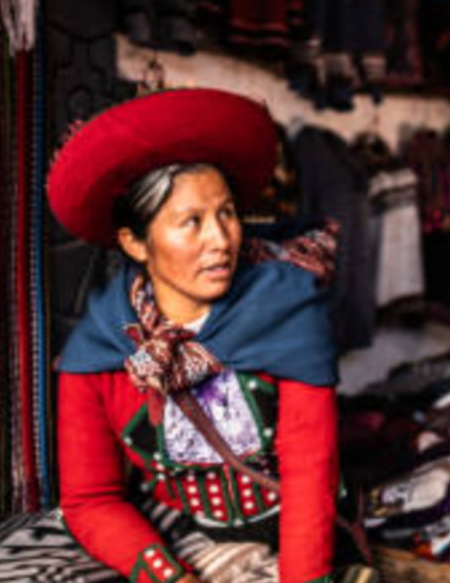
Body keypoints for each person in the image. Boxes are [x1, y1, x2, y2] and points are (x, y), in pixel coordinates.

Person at [49, 88, 341, 583]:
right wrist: (169, 577)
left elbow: (310, 482)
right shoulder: (99, 352)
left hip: (295, 537)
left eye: (226, 214)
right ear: (135, 242)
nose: (221, 240)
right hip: (178, 535)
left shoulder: (287, 314)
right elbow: (90, 499)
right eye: (192, 222)